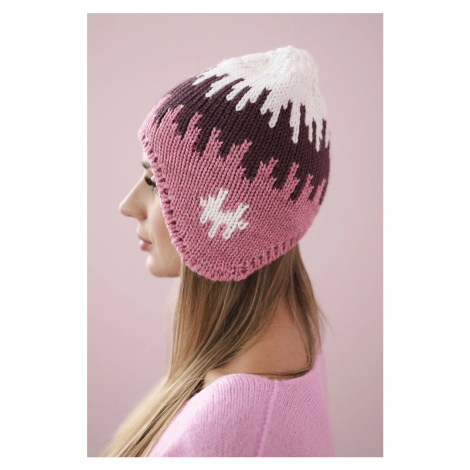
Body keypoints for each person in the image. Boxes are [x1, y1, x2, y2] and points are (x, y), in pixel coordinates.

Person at [100, 45, 335, 457]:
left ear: (226, 224)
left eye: (154, 182)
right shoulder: (294, 338)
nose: (127, 205)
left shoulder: (230, 430)